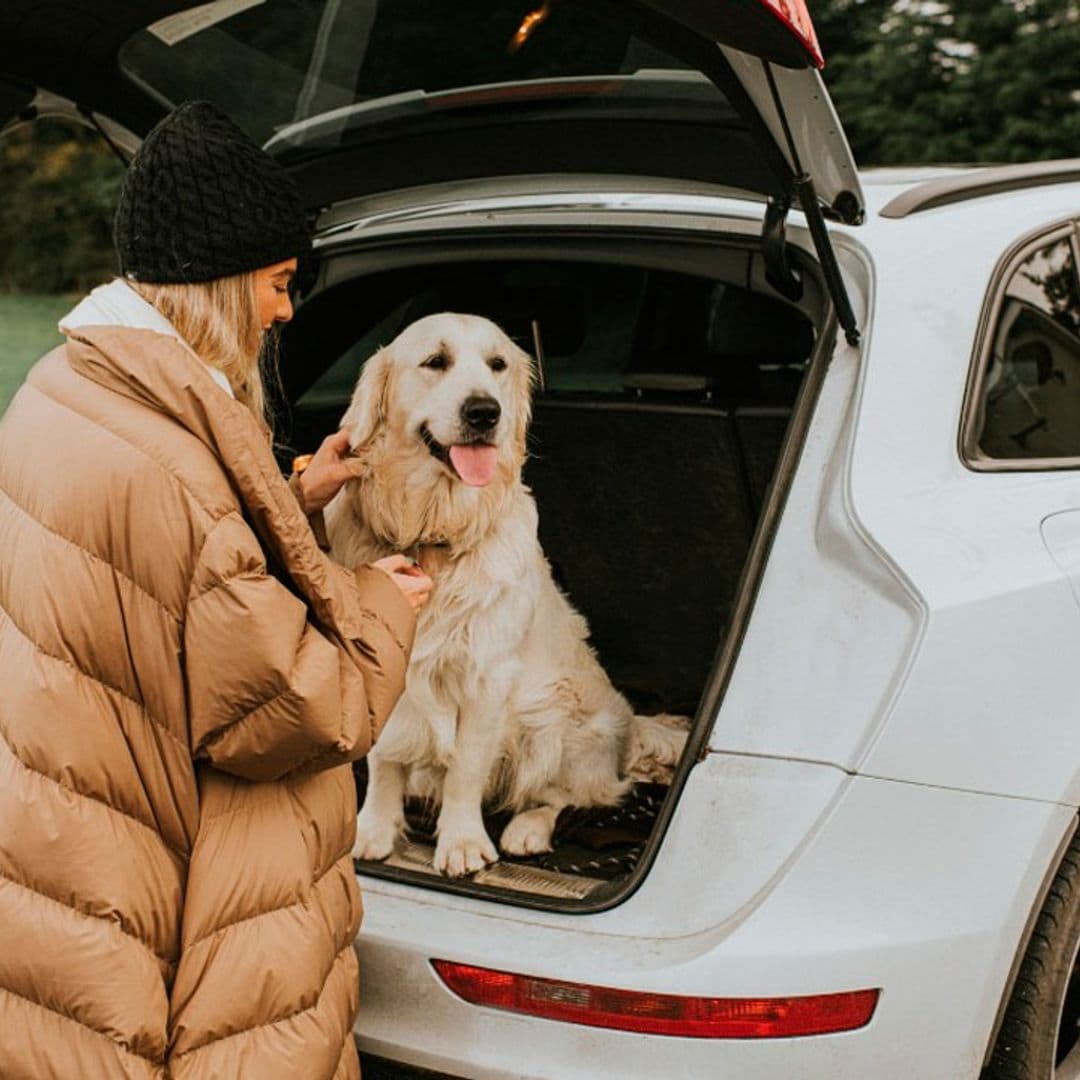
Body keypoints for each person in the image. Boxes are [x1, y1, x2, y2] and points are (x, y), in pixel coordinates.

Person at [0, 101, 431, 1078]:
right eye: (279, 285)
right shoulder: (178, 468)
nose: (286, 312)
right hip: (167, 908)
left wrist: (292, 498)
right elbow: (289, 710)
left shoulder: (57, 392)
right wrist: (385, 602)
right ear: (222, 278)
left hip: (64, 864)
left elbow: (153, 580)